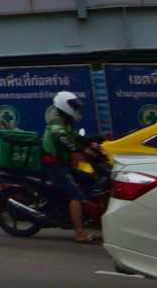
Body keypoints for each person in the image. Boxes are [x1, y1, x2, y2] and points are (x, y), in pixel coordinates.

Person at [44, 91, 100, 244]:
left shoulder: (67, 124)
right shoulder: (57, 122)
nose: (77, 111)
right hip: (54, 165)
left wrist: (101, 139)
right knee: (75, 194)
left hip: (63, 164)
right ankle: (80, 233)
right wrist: (82, 150)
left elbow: (79, 139)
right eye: (75, 108)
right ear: (67, 107)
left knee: (89, 180)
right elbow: (61, 138)